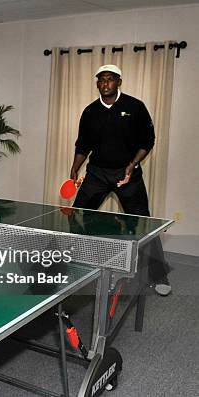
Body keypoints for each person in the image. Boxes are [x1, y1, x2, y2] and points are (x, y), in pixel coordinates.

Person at [69, 64, 171, 296]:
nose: (105, 83)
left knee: (143, 224)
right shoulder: (90, 111)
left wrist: (132, 164)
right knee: (76, 217)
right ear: (97, 84)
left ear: (119, 82)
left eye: (110, 79)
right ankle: (71, 265)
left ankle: (159, 276)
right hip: (96, 173)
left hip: (127, 175)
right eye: (101, 80)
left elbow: (148, 139)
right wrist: (75, 167)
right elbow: (83, 143)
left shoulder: (135, 107)